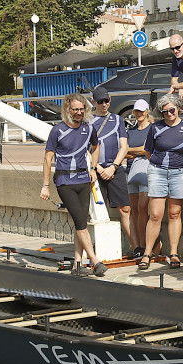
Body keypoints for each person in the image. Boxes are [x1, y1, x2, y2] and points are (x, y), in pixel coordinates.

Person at [40, 93, 107, 277]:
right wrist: (45, 185)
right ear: (67, 110)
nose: (79, 112)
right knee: (80, 221)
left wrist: (93, 168)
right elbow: (47, 158)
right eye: (75, 109)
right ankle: (95, 261)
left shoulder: (88, 128)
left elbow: (96, 147)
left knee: (81, 223)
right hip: (64, 181)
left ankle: (77, 265)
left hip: (84, 179)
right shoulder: (57, 130)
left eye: (81, 109)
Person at [139, 93, 183, 270]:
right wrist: (158, 164)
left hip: (181, 172)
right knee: (155, 214)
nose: (169, 114)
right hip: (158, 171)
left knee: (174, 213)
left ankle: (173, 253)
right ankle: (147, 253)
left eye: (172, 110)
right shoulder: (155, 128)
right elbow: (148, 151)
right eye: (165, 112)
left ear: (178, 108)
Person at [89, 87, 136, 254]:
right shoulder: (88, 121)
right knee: (95, 211)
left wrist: (113, 167)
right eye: (100, 101)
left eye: (106, 101)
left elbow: (124, 147)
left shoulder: (117, 120)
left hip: (114, 169)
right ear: (93, 102)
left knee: (125, 209)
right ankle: (96, 249)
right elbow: (85, 148)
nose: (104, 104)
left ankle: (136, 247)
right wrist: (97, 167)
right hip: (95, 170)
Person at [124, 99, 153, 259]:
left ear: (147, 111)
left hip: (146, 171)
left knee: (142, 207)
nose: (139, 113)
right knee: (134, 209)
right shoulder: (131, 131)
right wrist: (137, 151)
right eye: (136, 111)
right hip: (131, 171)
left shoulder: (152, 128)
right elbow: (124, 152)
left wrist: (130, 150)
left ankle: (144, 244)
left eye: (141, 110)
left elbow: (147, 150)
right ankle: (141, 245)